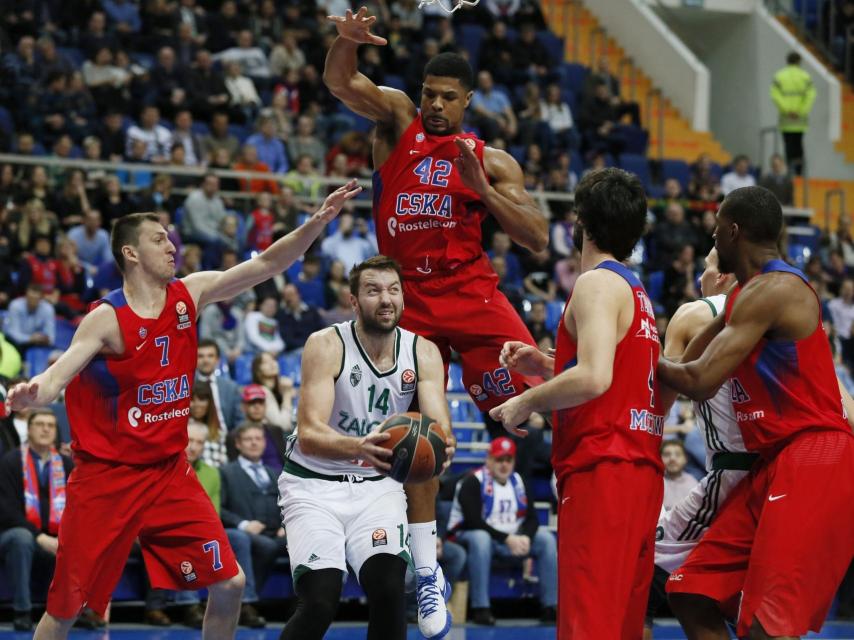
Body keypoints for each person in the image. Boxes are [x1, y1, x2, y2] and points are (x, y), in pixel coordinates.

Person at [6, 179, 363, 639]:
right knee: (67, 608)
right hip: (105, 480)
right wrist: (32, 392)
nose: (171, 245)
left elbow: (270, 262)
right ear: (130, 253)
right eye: (158, 239)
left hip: (168, 473)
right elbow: (56, 378)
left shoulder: (189, 293)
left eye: (170, 237)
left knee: (231, 582)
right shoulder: (107, 318)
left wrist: (318, 221)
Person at [323, 11, 548, 636]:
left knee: (535, 403)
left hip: (471, 293)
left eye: (449, 97)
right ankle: (428, 571)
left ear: (468, 101)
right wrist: (346, 41)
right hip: (409, 296)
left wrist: (484, 188)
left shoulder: (489, 158)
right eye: (431, 94)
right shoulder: (397, 121)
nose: (437, 104)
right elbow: (342, 83)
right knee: (420, 434)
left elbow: (536, 238)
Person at [656, 185, 854, 639]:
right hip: (775, 462)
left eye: (715, 230)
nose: (711, 236)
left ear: (733, 230)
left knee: (766, 627)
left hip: (814, 456)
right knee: (691, 591)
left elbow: (699, 381)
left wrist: (625, 353)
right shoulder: (747, 296)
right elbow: (683, 368)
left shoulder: (776, 290)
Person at [489, 168, 664, 639]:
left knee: (587, 626)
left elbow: (592, 377)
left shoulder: (594, 284)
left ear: (579, 222)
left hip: (603, 469)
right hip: (639, 472)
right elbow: (615, 375)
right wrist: (547, 365)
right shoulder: (635, 290)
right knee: (622, 626)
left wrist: (524, 402)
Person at [277, 255, 453, 640]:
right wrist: (359, 445)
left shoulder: (422, 352)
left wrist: (443, 444)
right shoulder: (326, 344)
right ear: (354, 301)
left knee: (389, 590)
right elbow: (309, 433)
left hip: (376, 487)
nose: (385, 299)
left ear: (404, 299)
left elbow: (438, 423)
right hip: (314, 484)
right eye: (373, 291)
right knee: (321, 601)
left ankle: (427, 572)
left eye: (393, 290)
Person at [643, 247, 753, 639]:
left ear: (723, 277)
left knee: (646, 565)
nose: (700, 278)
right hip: (781, 468)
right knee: (720, 594)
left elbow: (658, 396)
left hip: (732, 470)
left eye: (705, 269)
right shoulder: (776, 311)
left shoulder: (697, 311)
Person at [447, 436, 557, 625]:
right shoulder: (473, 481)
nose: (504, 465)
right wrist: (507, 538)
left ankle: (550, 607)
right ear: (488, 459)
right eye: (499, 460)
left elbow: (532, 518)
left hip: (510, 539)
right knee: (480, 538)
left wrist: (525, 538)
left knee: (545, 539)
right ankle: (481, 608)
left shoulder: (520, 481)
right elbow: (473, 521)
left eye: (508, 460)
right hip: (473, 537)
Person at [0, 410, 73, 632]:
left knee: (80, 541)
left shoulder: (67, 465)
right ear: (28, 429)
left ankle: (74, 612)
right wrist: (39, 536)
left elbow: (77, 508)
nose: (45, 429)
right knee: (21, 539)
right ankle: (23, 611)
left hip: (56, 535)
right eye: (39, 424)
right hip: (17, 534)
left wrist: (62, 536)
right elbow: (6, 511)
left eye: (51, 425)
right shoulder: (11, 462)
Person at [220, 422, 289, 628]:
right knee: (266, 546)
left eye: (258, 439)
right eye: (248, 439)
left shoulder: (274, 473)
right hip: (245, 533)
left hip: (276, 533)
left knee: (304, 539)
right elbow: (219, 509)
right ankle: (245, 603)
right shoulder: (225, 472)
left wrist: (286, 524)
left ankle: (303, 602)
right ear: (238, 444)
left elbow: (286, 505)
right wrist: (243, 524)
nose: (254, 443)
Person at [770, 51, 815, 175]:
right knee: (798, 144)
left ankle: (789, 169)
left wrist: (787, 110)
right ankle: (799, 171)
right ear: (799, 61)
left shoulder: (780, 76)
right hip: (800, 118)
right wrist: (801, 111)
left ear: (787, 60)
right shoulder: (805, 76)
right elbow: (810, 96)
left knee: (787, 144)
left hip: (786, 117)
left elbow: (775, 95)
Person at [195, 338, 244, 432]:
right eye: (200, 356)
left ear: (217, 360)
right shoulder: (187, 387)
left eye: (210, 356)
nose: (205, 360)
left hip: (227, 438)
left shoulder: (231, 387)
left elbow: (240, 420)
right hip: (196, 439)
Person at [660, 440, 698, 511]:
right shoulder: (656, 482)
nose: (672, 459)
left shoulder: (692, 482)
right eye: (667, 454)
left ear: (685, 459)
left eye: (678, 454)